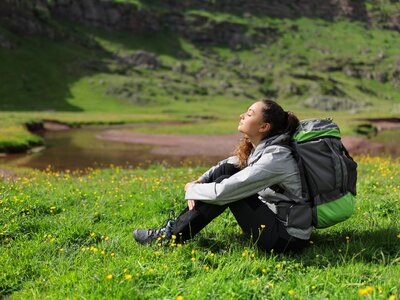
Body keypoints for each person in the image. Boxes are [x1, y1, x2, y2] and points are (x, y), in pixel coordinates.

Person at [133, 99, 312, 253]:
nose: (242, 115)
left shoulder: (275, 157)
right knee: (227, 169)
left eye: (250, 114)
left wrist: (193, 189)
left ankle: (169, 237)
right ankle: (172, 233)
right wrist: (200, 181)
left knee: (225, 186)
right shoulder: (265, 149)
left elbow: (225, 191)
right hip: (274, 222)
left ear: (264, 127)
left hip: (286, 239)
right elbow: (229, 164)